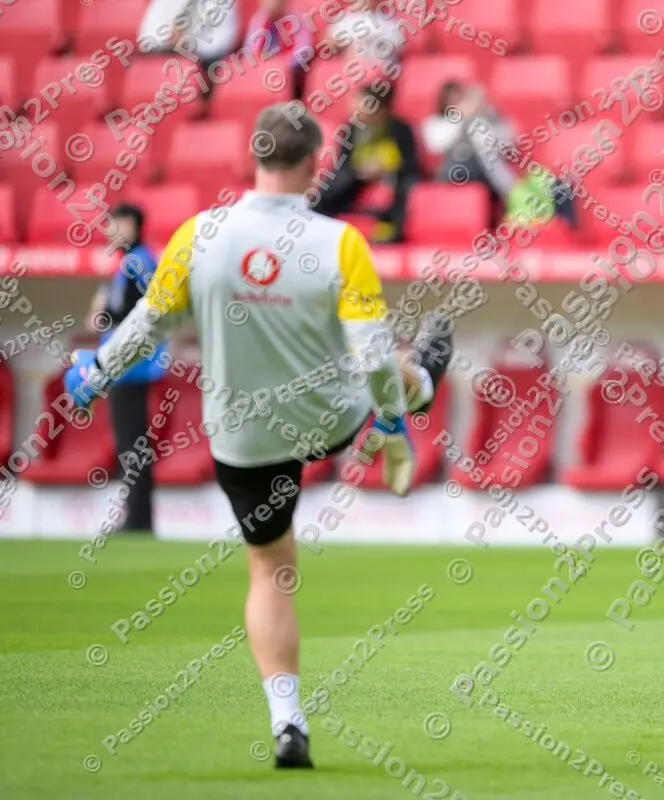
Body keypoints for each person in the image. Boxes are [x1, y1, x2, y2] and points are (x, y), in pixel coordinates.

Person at [62, 102, 456, 769]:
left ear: (254, 157)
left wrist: (96, 375)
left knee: (272, 568)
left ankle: (287, 720)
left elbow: (146, 326)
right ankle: (422, 378)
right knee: (391, 365)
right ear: (315, 165)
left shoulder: (199, 234)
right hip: (331, 418)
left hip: (243, 437)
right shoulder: (341, 243)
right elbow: (368, 352)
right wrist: (391, 422)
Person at [87, 204, 169, 535]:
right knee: (131, 443)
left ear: (133, 226)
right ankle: (137, 516)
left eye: (118, 223)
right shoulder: (132, 261)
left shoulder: (138, 261)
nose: (112, 229)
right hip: (129, 365)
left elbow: (138, 313)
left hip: (132, 365)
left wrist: (103, 312)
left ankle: (138, 519)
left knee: (132, 443)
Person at [310, 83, 420, 243]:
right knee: (335, 181)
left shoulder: (401, 130)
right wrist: (361, 171)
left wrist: (386, 169)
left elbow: (411, 166)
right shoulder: (350, 130)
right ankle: (317, 217)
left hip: (392, 179)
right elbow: (342, 164)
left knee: (405, 186)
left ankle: (392, 231)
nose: (355, 109)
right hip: (358, 178)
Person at [422, 80, 519, 205]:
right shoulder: (435, 123)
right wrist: (462, 116)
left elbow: (506, 140)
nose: (457, 102)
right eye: (452, 98)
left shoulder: (480, 119)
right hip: (452, 174)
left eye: (460, 97)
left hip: (483, 175)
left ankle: (511, 197)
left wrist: (489, 111)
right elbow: (436, 145)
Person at [244, 0, 314, 100]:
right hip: (263, 69)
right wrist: (261, 60)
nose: (270, 4)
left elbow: (304, 50)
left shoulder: (296, 19)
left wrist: (283, 62)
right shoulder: (260, 18)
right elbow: (250, 48)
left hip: (289, 71)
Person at [138, 0, 240, 66]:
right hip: (167, 54)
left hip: (208, 61)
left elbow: (221, 42)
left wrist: (188, 43)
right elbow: (147, 35)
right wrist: (169, 39)